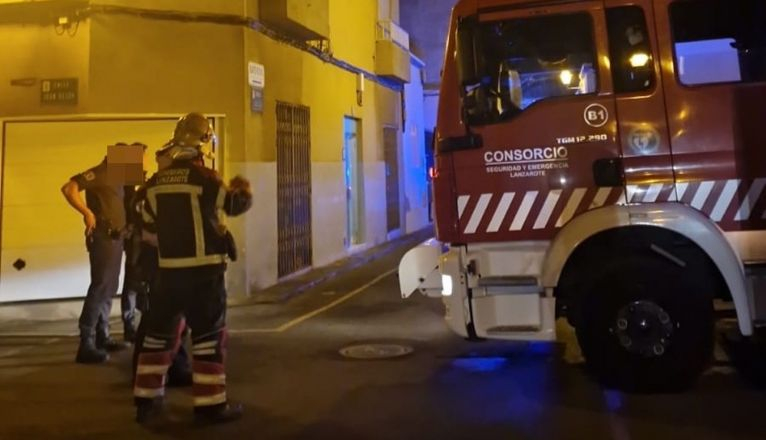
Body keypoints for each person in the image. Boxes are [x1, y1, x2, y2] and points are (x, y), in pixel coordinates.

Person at [133, 113, 252, 425]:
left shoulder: (155, 184)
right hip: (205, 274)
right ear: (203, 143)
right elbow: (235, 205)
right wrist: (243, 189)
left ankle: (146, 403)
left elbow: (147, 228)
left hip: (168, 273)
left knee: (158, 337)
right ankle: (211, 405)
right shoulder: (207, 179)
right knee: (209, 337)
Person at [61, 148, 134, 364]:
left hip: (116, 239)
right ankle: (87, 343)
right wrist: (87, 213)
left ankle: (103, 336)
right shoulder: (101, 173)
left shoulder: (119, 178)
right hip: (104, 237)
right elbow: (69, 188)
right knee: (101, 286)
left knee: (109, 287)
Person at [129, 145, 192, 386]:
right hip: (156, 263)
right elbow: (148, 233)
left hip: (165, 262)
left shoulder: (158, 187)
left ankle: (175, 367)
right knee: (156, 322)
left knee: (175, 320)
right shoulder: (151, 190)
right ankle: (145, 373)